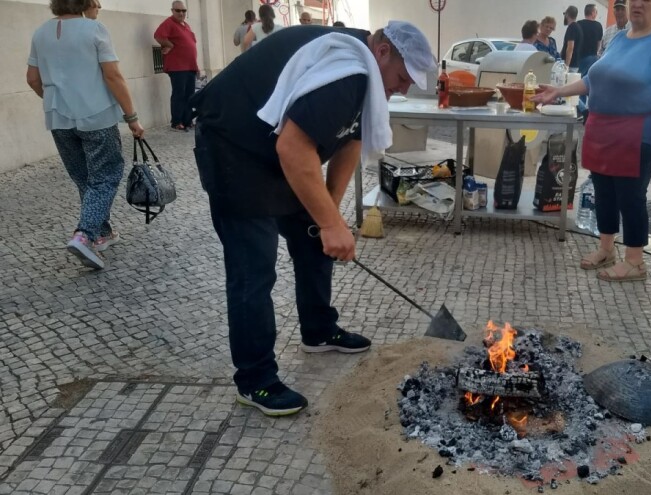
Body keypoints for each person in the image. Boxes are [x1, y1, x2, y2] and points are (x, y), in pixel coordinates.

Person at [190, 21, 435, 416]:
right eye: (403, 78)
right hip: (233, 145)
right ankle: (255, 380)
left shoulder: (366, 71)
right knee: (254, 267)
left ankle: (318, 330)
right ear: (383, 51)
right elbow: (293, 148)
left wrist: (329, 215)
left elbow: (350, 140)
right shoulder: (347, 71)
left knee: (311, 237)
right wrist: (330, 224)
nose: (404, 88)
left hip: (275, 148)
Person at [533, 0, 651, 282]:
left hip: (638, 132)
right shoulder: (620, 38)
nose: (637, 4)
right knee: (604, 192)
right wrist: (558, 91)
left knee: (630, 196)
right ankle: (606, 249)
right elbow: (593, 80)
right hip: (602, 129)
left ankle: (635, 261)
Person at [26, 0, 144, 269]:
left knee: (84, 178)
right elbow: (113, 75)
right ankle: (84, 236)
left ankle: (102, 233)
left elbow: (32, 79)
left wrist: (56, 100)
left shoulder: (40, 33)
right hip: (96, 114)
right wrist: (132, 117)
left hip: (58, 117)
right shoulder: (95, 29)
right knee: (106, 176)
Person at [153, 1, 199, 132]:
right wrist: (170, 45)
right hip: (178, 67)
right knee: (179, 94)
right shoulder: (169, 23)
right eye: (178, 10)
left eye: (184, 11)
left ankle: (187, 120)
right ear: (172, 11)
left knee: (190, 95)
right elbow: (158, 36)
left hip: (190, 66)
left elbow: (191, 45)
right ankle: (177, 122)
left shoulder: (186, 25)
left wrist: (196, 66)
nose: (181, 13)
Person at [576, 4, 604, 109]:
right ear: (592, 13)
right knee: (591, 83)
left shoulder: (578, 24)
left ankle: (581, 108)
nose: (596, 14)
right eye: (596, 12)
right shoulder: (598, 26)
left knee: (580, 83)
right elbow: (599, 43)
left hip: (580, 58)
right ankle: (593, 107)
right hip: (592, 57)